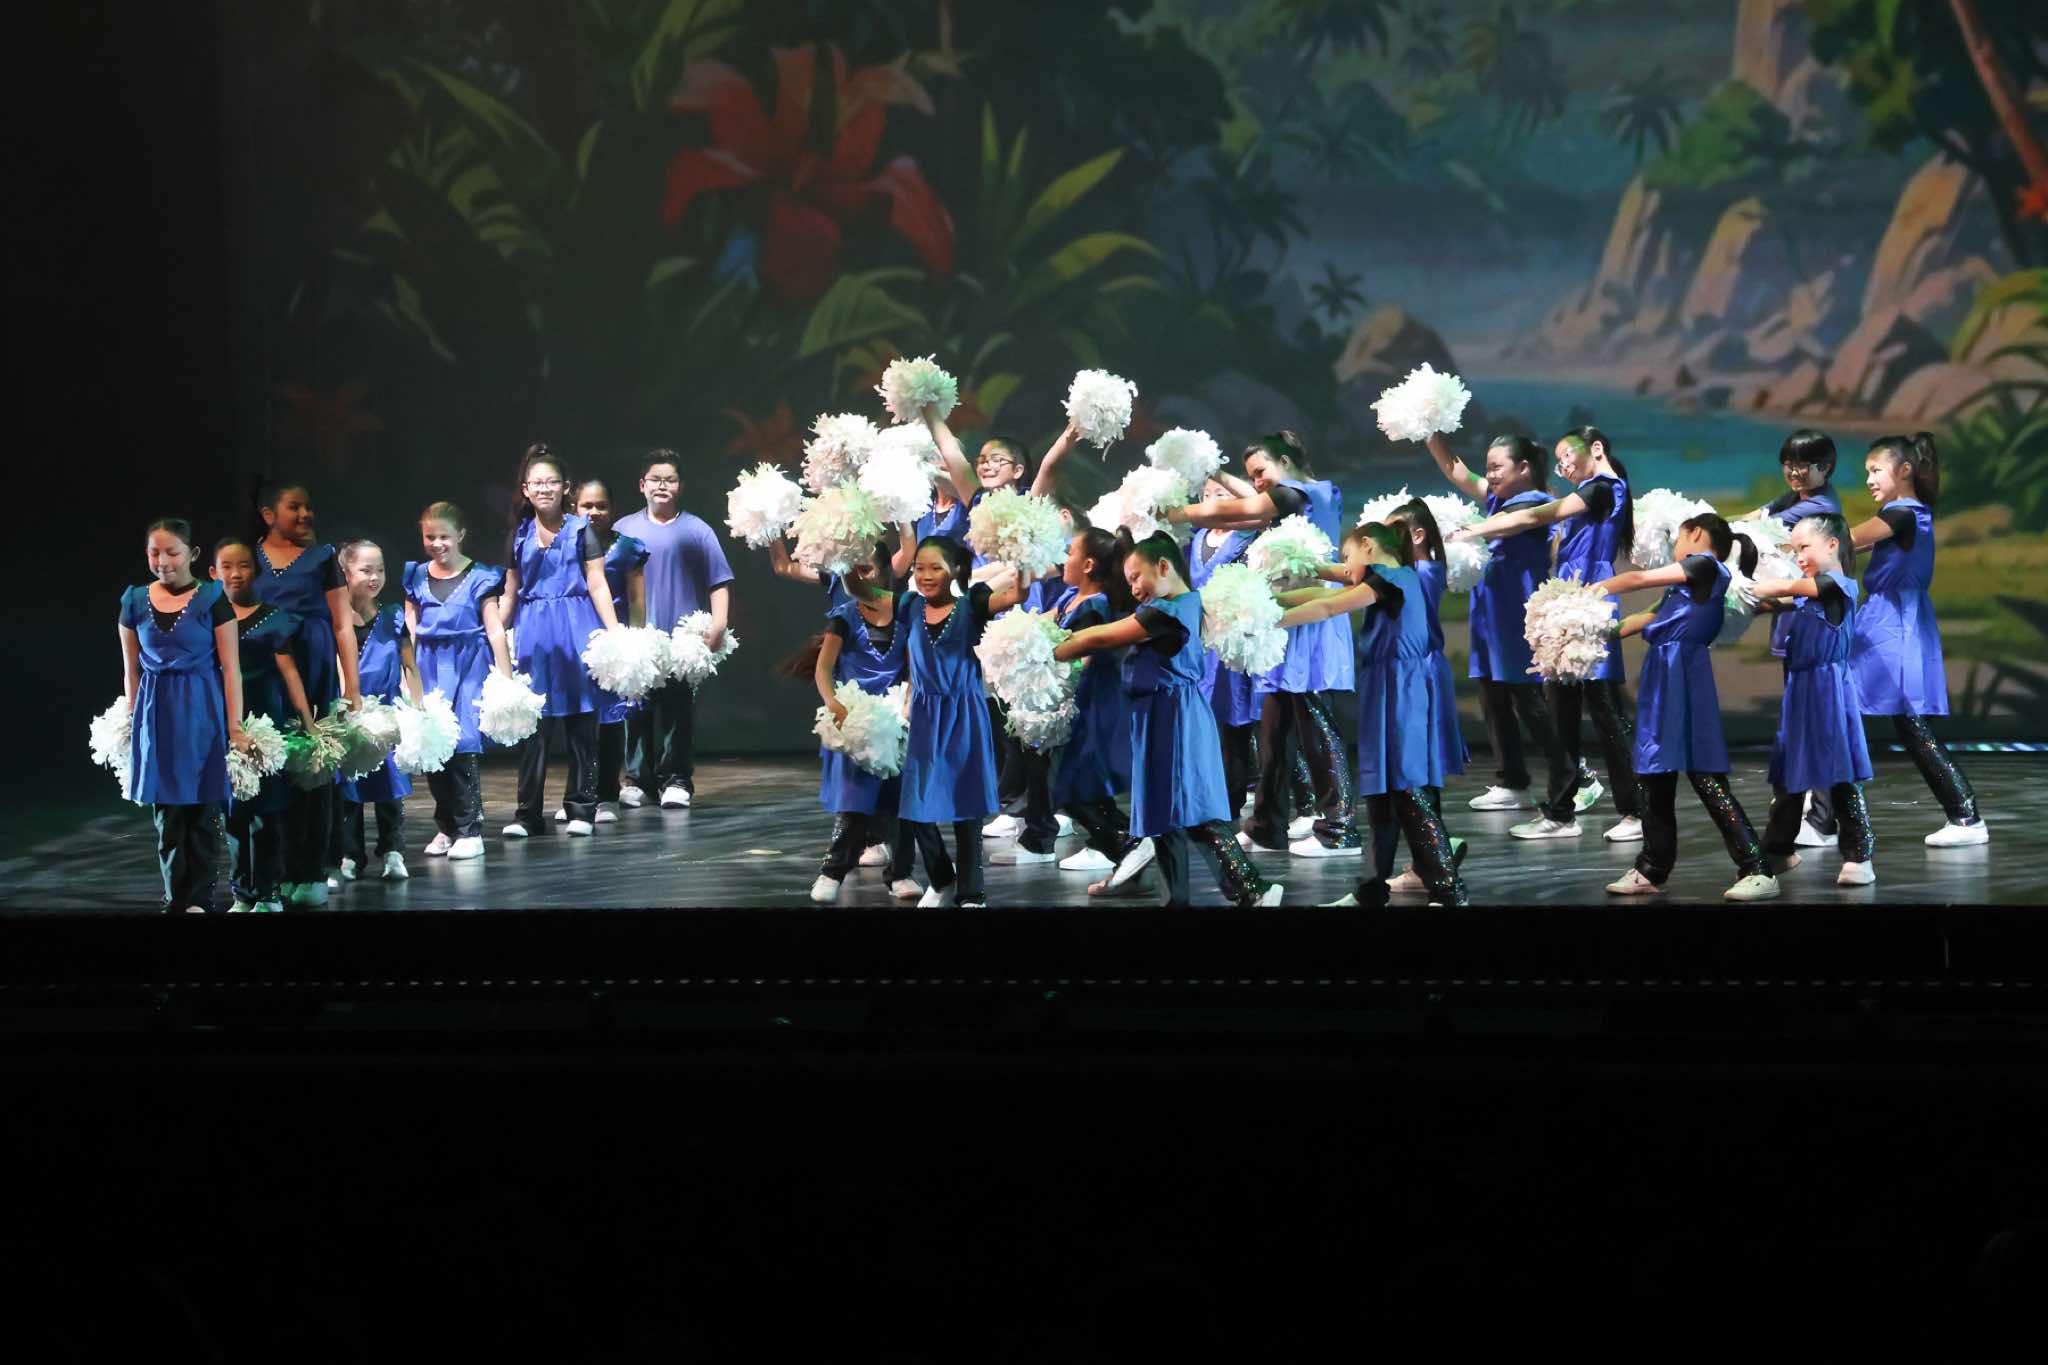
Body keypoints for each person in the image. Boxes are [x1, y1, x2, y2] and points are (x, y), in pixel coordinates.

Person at [1052, 530, 1284, 907]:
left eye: (1136, 577)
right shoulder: (1175, 605)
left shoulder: (1169, 611)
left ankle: (1252, 889)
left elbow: (1103, 637)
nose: (1134, 589)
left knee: (1192, 810)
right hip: (1157, 716)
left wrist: (1051, 649)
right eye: (1128, 581)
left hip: (1175, 717)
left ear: (1163, 566)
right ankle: (1176, 900)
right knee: (1162, 817)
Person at [1166, 431, 1359, 857]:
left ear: (1285, 462)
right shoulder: (1292, 497)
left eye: (1260, 472)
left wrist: (1174, 512)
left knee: (1315, 725)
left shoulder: (1303, 494)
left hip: (1309, 620)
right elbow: (1247, 507)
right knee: (1274, 732)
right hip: (1282, 622)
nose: (1255, 482)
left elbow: (1242, 509)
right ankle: (1267, 826)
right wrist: (1216, 474)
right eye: (1250, 475)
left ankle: (1340, 827)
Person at [1452, 426, 1641, 842]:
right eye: (1557, 461)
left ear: (1595, 448)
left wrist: (1475, 530)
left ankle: (1636, 811)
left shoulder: (1603, 488)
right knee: (1562, 712)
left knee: (1606, 713)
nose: (1562, 466)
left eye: (1566, 456)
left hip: (1590, 600)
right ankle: (1560, 813)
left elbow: (1538, 516)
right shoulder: (1588, 493)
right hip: (1566, 598)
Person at [1272, 524, 1467, 907]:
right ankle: (1371, 892)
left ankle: (1449, 889)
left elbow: (1328, 606)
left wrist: (1269, 622)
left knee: (1407, 789)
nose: (1345, 567)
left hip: (1402, 688)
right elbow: (1322, 593)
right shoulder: (1384, 580)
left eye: (1347, 557)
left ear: (1367, 545)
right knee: (1380, 794)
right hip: (1385, 686)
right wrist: (1271, 601)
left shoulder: (1393, 578)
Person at [1591, 515, 1777, 901]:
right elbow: (1645, 619)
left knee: (1704, 774)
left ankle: (1757, 867)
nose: (1675, 546)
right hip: (1664, 673)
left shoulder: (1705, 565)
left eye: (1678, 537)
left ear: (1695, 534)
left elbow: (1638, 579)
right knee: (1655, 773)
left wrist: (1591, 590)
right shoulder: (1685, 585)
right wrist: (1586, 631)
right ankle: (1652, 868)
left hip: (1683, 675)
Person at [921, 410, 1082, 836]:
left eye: (997, 459)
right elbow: (951, 451)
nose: (986, 465)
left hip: (1028, 620)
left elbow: (1050, 465)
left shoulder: (1032, 504)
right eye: (983, 460)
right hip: (991, 624)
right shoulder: (976, 502)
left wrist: (1071, 431)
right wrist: (927, 408)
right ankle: (1018, 804)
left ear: (1018, 469)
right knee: (1005, 721)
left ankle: (1050, 810)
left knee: (1038, 718)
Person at [1420, 432, 1572, 816]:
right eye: (1487, 468)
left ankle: (1573, 774)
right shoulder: (1496, 499)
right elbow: (1456, 470)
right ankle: (1512, 781)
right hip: (1488, 612)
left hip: (1516, 613)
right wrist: (1427, 429)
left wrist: (1463, 532)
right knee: (1492, 696)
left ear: (1523, 468)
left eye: (1496, 467)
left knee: (1527, 698)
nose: (1489, 475)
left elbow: (1509, 525)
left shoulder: (1536, 500)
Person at [1849, 433, 1988, 848]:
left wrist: (1785, 541)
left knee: (1908, 722)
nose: (1869, 479)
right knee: (1844, 712)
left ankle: (1966, 815)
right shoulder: (1903, 515)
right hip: (1885, 620)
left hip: (1895, 625)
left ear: (1904, 470)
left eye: (1876, 470)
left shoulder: (1902, 513)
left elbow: (1845, 540)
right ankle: (1822, 817)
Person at [896, 537, 1030, 908]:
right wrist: (842, 558)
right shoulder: (909, 606)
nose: (925, 575)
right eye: (919, 568)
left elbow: (1016, 595)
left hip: (964, 714)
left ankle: (971, 892)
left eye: (935, 568)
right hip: (925, 717)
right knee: (914, 806)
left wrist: (1026, 552)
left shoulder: (972, 604)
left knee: (966, 807)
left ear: (955, 570)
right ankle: (942, 877)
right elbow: (861, 591)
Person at [120, 517, 245, 913]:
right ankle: (176, 899)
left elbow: (231, 669)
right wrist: (131, 719)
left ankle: (200, 899)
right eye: (154, 553)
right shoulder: (134, 601)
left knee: (201, 811)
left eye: (172, 553)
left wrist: (235, 727)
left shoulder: (212, 598)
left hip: (201, 711)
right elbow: (131, 670)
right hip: (157, 715)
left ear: (192, 554)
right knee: (168, 815)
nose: (163, 561)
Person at [992, 527, 1135, 874]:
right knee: (1052, 773)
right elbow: (1037, 625)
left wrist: (1047, 674)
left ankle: (1106, 841)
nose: (1064, 559)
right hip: (1060, 701)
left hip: (1083, 702)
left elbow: (1083, 660)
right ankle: (1108, 839)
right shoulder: (1071, 596)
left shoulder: (1095, 606)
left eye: (1070, 552)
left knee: (1068, 781)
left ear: (1088, 565)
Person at [1746, 514, 1877, 887]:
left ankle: (1859, 854)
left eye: (1804, 547)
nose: (1799, 556)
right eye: (1794, 550)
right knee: (1790, 773)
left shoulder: (1838, 585)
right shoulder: (1810, 593)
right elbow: (1782, 600)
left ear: (1833, 544)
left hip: (1828, 690)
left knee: (1839, 774)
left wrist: (1757, 586)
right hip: (1801, 690)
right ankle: (1778, 850)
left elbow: (1789, 587)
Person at [786, 540, 921, 903]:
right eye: (854, 568)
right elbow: (824, 669)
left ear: (884, 570)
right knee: (855, 803)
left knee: (898, 803)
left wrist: (906, 707)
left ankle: (901, 873)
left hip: (893, 719)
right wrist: (835, 705)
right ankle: (832, 871)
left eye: (867, 568)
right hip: (855, 719)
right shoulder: (844, 617)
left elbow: (913, 669)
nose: (860, 575)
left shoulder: (904, 611)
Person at [498, 445, 620, 839]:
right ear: (526, 489)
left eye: (551, 482)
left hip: (575, 629)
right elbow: (510, 592)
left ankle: (582, 808)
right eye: (537, 483)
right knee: (533, 728)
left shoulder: (581, 530)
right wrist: (494, 633)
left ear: (565, 487)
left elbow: (597, 583)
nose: (544, 489)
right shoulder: (518, 534)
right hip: (533, 636)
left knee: (582, 724)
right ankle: (527, 815)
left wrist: (615, 633)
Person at [252, 478, 362, 906]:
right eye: (294, 507)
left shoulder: (321, 557)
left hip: (313, 667)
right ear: (268, 515)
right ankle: (276, 871)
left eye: (307, 506)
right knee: (273, 766)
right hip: (264, 669)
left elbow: (342, 624)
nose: (305, 514)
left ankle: (313, 868)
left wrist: (352, 686)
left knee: (313, 767)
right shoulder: (251, 558)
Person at [614, 450, 734, 810]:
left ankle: (676, 779)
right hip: (638, 636)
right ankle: (637, 780)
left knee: (678, 711)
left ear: (680, 486)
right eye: (655, 479)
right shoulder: (623, 529)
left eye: (669, 480)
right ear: (642, 485)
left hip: (683, 640)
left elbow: (719, 580)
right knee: (635, 711)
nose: (662, 485)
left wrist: (719, 624)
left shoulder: (697, 530)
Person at [1748, 429, 1846, 847]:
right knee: (1802, 722)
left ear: (1826, 467)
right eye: (1788, 463)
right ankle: (1813, 810)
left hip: (1814, 630)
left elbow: (1758, 530)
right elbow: (1756, 517)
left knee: (1816, 723)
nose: (1793, 471)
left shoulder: (1819, 509)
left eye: (1803, 465)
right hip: (1798, 625)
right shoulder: (1794, 498)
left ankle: (1823, 820)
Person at [214, 535, 316, 913]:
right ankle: (242, 893)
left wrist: (308, 722)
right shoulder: (210, 618)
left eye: (243, 566)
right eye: (227, 566)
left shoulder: (272, 617)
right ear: (213, 573)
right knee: (233, 811)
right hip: (226, 722)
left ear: (255, 571)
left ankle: (269, 890)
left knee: (267, 811)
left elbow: (289, 673)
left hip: (264, 721)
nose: (236, 574)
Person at [404, 501, 508, 862]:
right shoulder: (416, 575)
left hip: (468, 663)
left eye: (444, 537)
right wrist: (406, 675)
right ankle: (447, 826)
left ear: (460, 535)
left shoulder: (481, 576)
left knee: (463, 742)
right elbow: (410, 629)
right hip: (428, 664)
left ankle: (470, 829)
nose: (437, 544)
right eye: (430, 537)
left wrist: (506, 679)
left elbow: (494, 628)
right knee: (434, 743)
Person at [333, 539, 415, 883]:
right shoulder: (334, 618)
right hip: (349, 713)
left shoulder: (393, 615)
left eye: (380, 569)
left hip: (386, 714)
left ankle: (392, 850)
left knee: (389, 785)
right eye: (366, 570)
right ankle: (350, 854)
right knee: (348, 788)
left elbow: (410, 665)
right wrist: (345, 707)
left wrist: (418, 707)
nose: (375, 577)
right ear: (346, 572)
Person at [573, 479, 646, 823]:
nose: (594, 512)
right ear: (574, 508)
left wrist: (636, 642)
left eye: (600, 505)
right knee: (579, 722)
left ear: (612, 509)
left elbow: (636, 599)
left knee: (612, 721)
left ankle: (607, 796)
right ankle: (580, 797)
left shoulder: (628, 548)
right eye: (586, 505)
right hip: (577, 639)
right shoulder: (568, 545)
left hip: (614, 643)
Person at [1187, 484, 1262, 812]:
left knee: (1235, 716)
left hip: (1234, 638)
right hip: (1202, 638)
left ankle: (1234, 794)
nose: (1211, 500)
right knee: (1204, 717)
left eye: (1221, 493)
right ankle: (1206, 791)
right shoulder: (1198, 538)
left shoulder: (1248, 536)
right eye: (1206, 494)